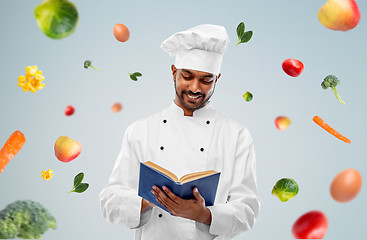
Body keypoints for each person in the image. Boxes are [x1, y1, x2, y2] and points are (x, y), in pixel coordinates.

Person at [99, 24, 260, 240]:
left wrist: (205, 215)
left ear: (217, 79)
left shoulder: (236, 135)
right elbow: (109, 201)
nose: (195, 88)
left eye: (206, 80)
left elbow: (247, 210)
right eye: (187, 76)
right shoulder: (140, 130)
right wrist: (149, 199)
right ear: (174, 73)